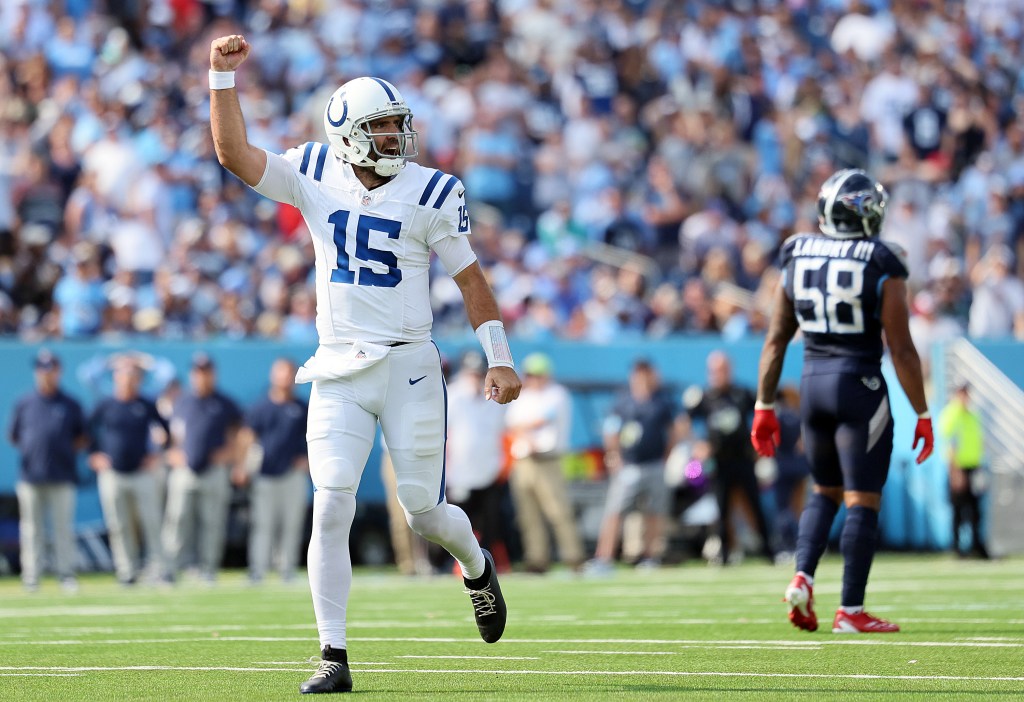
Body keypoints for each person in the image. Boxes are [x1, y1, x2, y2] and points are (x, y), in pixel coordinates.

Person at [208, 35, 522, 694]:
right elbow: (234, 154)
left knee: (423, 514)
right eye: (379, 127)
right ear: (348, 134)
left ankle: (475, 564)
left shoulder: (433, 191)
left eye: (395, 124)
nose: (393, 136)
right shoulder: (316, 170)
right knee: (332, 502)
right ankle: (333, 654)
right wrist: (220, 79)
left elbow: (471, 280)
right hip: (338, 367)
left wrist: (499, 357)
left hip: (409, 364)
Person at [751, 168, 934, 634]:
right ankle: (851, 609)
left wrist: (765, 406)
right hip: (860, 386)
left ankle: (803, 576)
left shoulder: (796, 252)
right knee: (861, 498)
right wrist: (923, 412)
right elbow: (902, 348)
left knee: (823, 490)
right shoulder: (881, 260)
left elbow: (775, 341)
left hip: (812, 384)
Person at [588, 358, 678, 573]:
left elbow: (674, 430)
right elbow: (611, 431)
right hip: (630, 465)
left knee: (655, 512)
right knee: (615, 511)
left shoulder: (662, 401)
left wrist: (667, 456)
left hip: (654, 463)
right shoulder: (623, 401)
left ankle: (651, 556)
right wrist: (615, 457)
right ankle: (604, 558)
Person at [8, 349, 87, 592]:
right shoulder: (25, 402)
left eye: (50, 369)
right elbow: (14, 436)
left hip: (62, 474)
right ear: (36, 372)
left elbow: (82, 437)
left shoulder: (70, 403)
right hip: (31, 476)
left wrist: (61, 450)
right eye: (42, 369)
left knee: (63, 528)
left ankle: (66, 573)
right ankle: (32, 575)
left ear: (58, 371)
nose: (46, 374)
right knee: (32, 529)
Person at [685, 351, 775, 565]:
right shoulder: (704, 397)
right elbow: (684, 422)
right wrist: (697, 444)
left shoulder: (741, 393)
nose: (719, 374)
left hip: (743, 459)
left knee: (755, 506)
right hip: (719, 462)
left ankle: (768, 550)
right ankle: (724, 553)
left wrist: (759, 443)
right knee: (722, 508)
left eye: (723, 369)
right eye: (715, 370)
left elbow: (763, 415)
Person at [88, 355, 169, 585]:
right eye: (123, 374)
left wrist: (156, 455)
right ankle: (127, 571)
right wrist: (95, 455)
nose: (128, 379)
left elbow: (167, 432)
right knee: (119, 525)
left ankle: (159, 569)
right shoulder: (105, 404)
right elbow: (87, 432)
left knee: (151, 522)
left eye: (133, 375)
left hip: (142, 473)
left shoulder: (145, 404)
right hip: (113, 473)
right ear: (115, 377)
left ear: (139, 379)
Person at [162, 352, 242, 584]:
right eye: (198, 372)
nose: (202, 377)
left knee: (212, 521)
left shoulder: (225, 403)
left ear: (213, 374)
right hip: (185, 468)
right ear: (192, 375)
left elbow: (240, 434)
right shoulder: (182, 401)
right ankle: (171, 567)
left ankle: (208, 568)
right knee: (177, 518)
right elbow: (172, 435)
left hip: (214, 470)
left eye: (206, 372)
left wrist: (231, 455)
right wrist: (173, 453)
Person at [505, 352, 584, 574]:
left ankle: (573, 557)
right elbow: (512, 425)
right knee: (528, 515)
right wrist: (523, 431)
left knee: (558, 511)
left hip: (547, 460)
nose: (533, 379)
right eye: (529, 374)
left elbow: (537, 421)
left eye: (537, 374)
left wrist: (522, 431)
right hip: (524, 462)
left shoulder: (556, 394)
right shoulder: (524, 397)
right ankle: (536, 559)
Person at [236, 358, 310, 584]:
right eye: (281, 373)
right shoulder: (261, 407)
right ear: (273, 376)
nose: (285, 378)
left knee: (291, 524)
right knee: (262, 525)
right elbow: (246, 437)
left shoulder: (301, 408)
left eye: (289, 373)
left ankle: (287, 570)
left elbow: (314, 438)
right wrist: (242, 466)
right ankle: (257, 570)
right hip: (265, 475)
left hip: (292, 474)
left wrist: (307, 460)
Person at [446, 350, 512, 572]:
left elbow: (505, 431)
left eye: (478, 374)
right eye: (471, 374)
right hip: (460, 473)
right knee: (460, 524)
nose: (475, 379)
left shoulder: (494, 399)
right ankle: (460, 566)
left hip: (489, 470)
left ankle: (496, 563)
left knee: (492, 523)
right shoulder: (452, 396)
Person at [937, 383, 988, 559]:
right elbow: (949, 442)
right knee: (958, 509)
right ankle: (957, 548)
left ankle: (976, 546)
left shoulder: (973, 415)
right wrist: (955, 471)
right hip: (958, 468)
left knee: (975, 510)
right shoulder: (952, 414)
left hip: (973, 466)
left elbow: (977, 441)